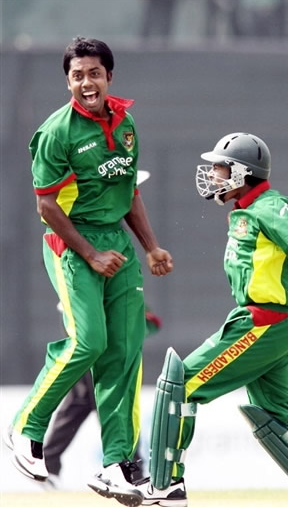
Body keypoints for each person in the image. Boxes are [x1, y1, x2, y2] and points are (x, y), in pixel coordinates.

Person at [3, 36, 173, 507]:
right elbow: (46, 206)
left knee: (123, 353)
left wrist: (152, 246)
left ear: (109, 76)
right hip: (72, 245)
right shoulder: (55, 132)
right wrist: (90, 254)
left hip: (117, 244)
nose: (86, 82)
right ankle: (25, 427)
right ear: (68, 81)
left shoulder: (126, 123)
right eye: (77, 75)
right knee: (89, 342)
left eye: (93, 72)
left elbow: (129, 194)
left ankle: (118, 465)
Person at [133, 132, 288, 507]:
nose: (213, 175)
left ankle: (166, 486)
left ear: (243, 172)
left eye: (221, 168)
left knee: (177, 384)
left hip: (262, 324)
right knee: (277, 420)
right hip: (270, 324)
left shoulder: (272, 208)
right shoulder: (246, 210)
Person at [44, 304, 162, 486]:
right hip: (83, 317)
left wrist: (132, 322)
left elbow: (148, 318)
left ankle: (48, 464)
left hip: (107, 321)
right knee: (109, 398)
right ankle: (131, 471)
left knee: (83, 399)